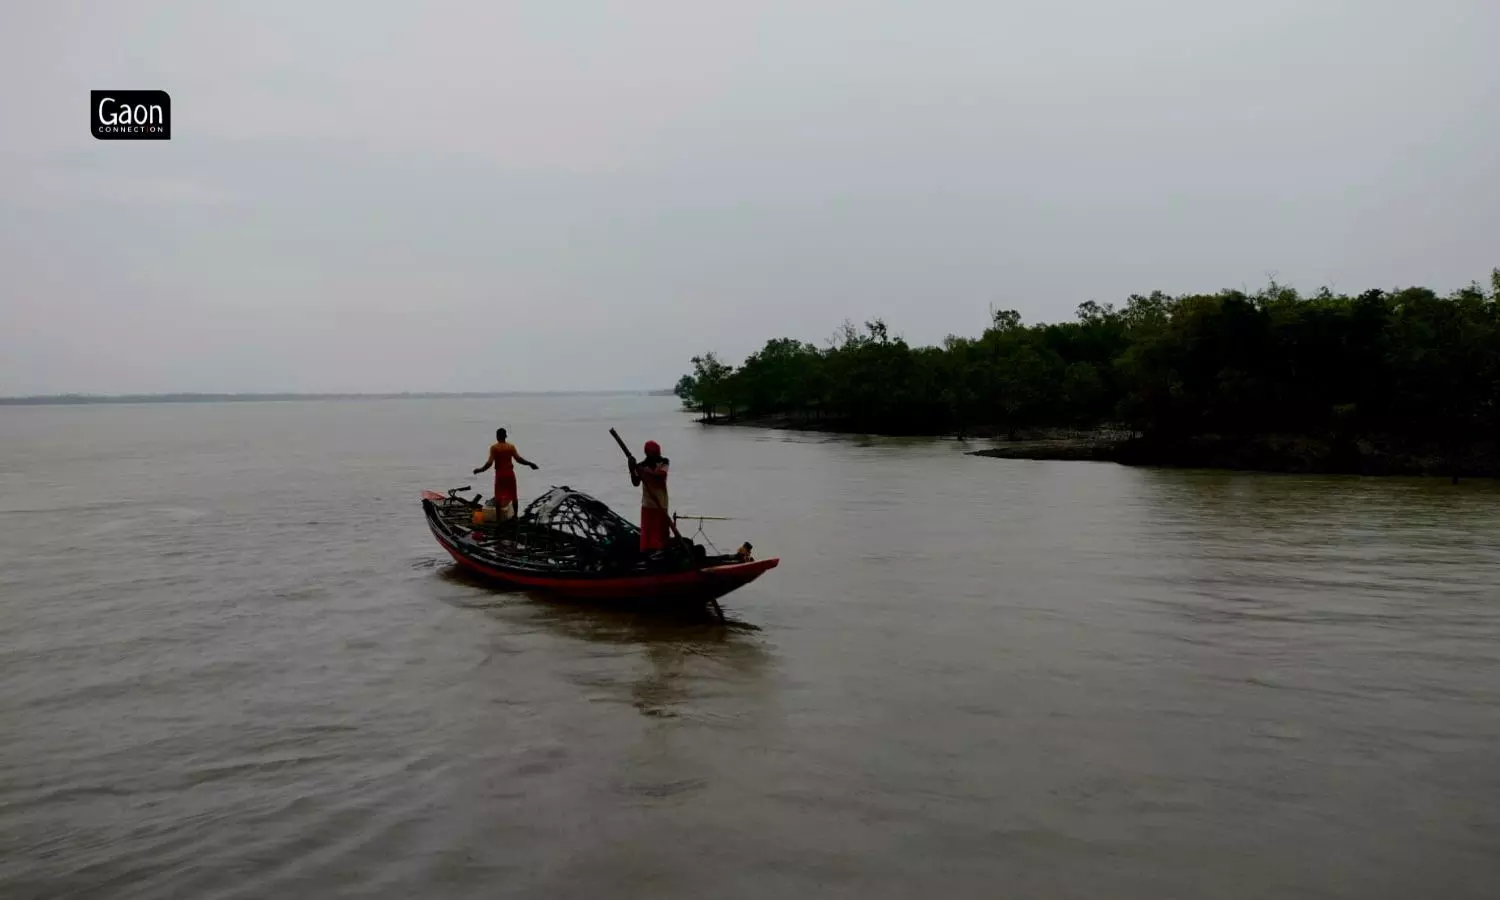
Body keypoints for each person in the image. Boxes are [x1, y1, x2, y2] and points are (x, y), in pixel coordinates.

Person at [473, 427, 538, 520]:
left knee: (498, 496)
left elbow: (489, 463)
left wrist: (480, 470)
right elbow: (519, 459)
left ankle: (499, 519)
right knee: (514, 495)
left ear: (497, 437)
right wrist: (530, 464)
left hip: (500, 475)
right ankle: (515, 516)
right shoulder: (510, 447)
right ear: (505, 436)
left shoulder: (494, 448)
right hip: (510, 474)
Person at [629, 440, 670, 553]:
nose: (658, 456)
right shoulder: (641, 466)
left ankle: (660, 553)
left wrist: (645, 472)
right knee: (647, 534)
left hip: (661, 503)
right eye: (656, 454)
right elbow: (636, 482)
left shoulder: (664, 462)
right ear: (649, 454)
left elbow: (661, 477)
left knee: (660, 534)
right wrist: (632, 470)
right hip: (648, 505)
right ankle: (647, 554)